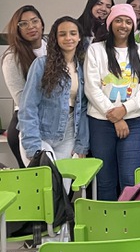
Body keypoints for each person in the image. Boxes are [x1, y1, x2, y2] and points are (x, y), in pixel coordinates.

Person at [84, 3, 140, 201]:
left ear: (133, 25)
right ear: (110, 24)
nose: (123, 25)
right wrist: (115, 117)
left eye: (128, 21)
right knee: (105, 180)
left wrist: (124, 110)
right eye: (118, 20)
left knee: (129, 178)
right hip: (101, 122)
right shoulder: (95, 50)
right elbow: (92, 88)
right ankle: (108, 226)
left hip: (133, 122)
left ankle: (129, 226)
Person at [18, 17, 88, 166]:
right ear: (55, 38)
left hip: (68, 135)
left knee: (62, 186)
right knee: (43, 185)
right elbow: (28, 106)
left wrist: (81, 145)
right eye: (62, 34)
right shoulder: (41, 64)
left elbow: (82, 109)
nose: (68, 38)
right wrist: (32, 145)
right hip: (40, 134)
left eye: (73, 33)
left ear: (79, 37)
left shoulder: (83, 67)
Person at [2, 5, 47, 168]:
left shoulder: (54, 49)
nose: (31, 26)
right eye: (24, 24)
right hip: (26, 125)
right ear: (17, 29)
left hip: (54, 124)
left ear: (42, 23)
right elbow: (23, 99)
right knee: (35, 184)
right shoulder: (12, 57)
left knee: (60, 183)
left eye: (35, 21)